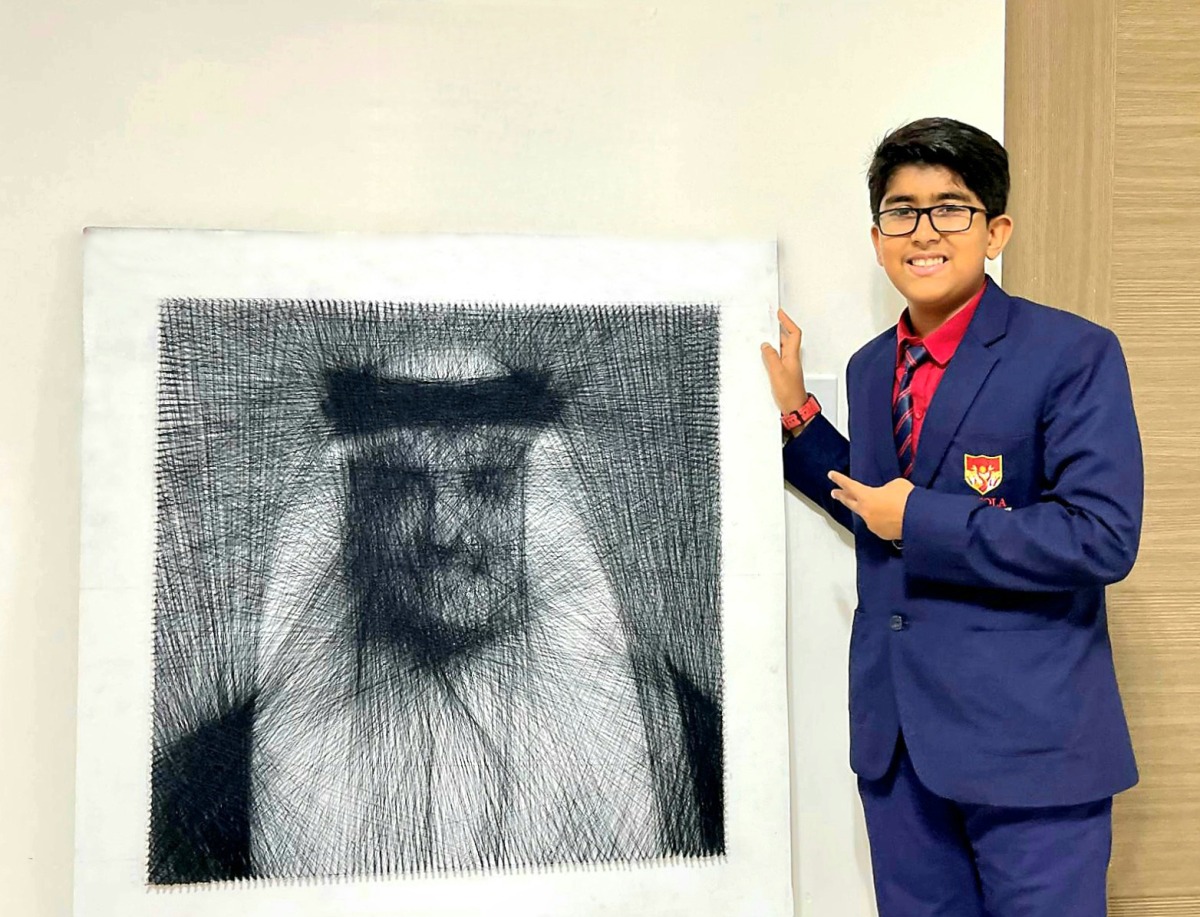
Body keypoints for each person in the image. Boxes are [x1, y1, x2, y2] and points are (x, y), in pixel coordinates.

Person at [762, 117, 1142, 916]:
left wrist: (922, 519)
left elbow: (1101, 535)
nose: (923, 231)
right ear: (877, 236)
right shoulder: (871, 367)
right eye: (901, 211)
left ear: (995, 229)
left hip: (1032, 749)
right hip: (899, 748)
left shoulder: (1073, 352)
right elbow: (876, 505)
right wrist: (798, 414)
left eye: (950, 208)